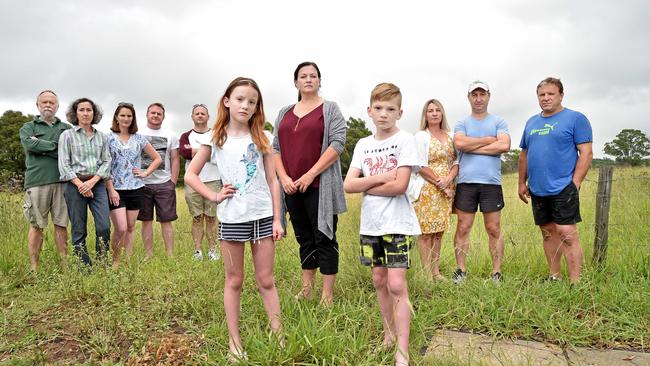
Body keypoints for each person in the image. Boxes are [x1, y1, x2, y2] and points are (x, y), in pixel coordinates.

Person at [184, 77, 284, 361]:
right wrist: (214, 196)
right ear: (227, 102)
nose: (245, 105)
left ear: (256, 107)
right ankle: (234, 340)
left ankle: (278, 334)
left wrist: (277, 219)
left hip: (263, 217)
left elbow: (272, 180)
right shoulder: (214, 138)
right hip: (232, 220)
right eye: (240, 99)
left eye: (252, 101)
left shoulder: (263, 138)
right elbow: (191, 175)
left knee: (266, 279)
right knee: (234, 280)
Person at [344, 83, 420, 366]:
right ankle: (388, 334)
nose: (384, 114)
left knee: (397, 283)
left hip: (396, 224)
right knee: (378, 280)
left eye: (390, 109)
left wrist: (366, 185)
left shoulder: (405, 140)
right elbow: (348, 184)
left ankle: (403, 349)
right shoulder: (363, 145)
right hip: (370, 225)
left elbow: (400, 186)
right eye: (378, 108)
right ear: (369, 111)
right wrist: (380, 178)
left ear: (400, 112)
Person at [273, 61, 347, 305]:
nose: (308, 79)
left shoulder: (330, 109)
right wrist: (283, 177)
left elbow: (337, 144)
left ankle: (327, 294)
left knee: (324, 237)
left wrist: (311, 174)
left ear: (319, 81)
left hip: (318, 185)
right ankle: (307, 288)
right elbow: (275, 148)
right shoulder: (284, 112)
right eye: (303, 76)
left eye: (313, 76)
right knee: (303, 238)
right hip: (291, 186)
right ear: (296, 82)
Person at [518, 77, 593, 283]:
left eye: (551, 94)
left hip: (563, 186)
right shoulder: (531, 122)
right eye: (542, 95)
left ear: (561, 95)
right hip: (537, 188)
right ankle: (554, 276)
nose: (546, 98)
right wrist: (521, 183)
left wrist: (575, 183)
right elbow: (524, 154)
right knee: (548, 233)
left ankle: (576, 281)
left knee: (567, 233)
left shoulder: (575, 119)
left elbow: (585, 153)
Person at [452, 80, 510, 283]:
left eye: (482, 94)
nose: (478, 99)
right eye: (474, 95)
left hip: (491, 184)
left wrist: (471, 146)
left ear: (488, 96)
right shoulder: (462, 123)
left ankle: (496, 272)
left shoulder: (499, 122)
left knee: (493, 229)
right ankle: (461, 271)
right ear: (469, 97)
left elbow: (504, 145)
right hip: (466, 183)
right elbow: (459, 143)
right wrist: (488, 140)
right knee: (463, 227)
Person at [20, 90, 71, 271]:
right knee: (37, 225)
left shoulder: (66, 128)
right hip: (36, 182)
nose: (48, 105)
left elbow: (69, 152)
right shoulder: (28, 127)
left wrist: (41, 147)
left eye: (52, 102)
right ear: (38, 105)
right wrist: (55, 147)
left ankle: (65, 266)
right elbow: (29, 144)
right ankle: (35, 268)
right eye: (44, 102)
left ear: (57, 106)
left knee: (61, 224)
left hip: (62, 182)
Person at [105, 103, 162, 267]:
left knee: (130, 227)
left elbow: (157, 158)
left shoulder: (138, 138)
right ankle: (115, 261)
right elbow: (104, 164)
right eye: (122, 115)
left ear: (133, 118)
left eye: (129, 116)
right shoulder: (108, 138)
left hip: (136, 188)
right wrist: (110, 188)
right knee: (121, 227)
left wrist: (145, 173)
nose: (126, 119)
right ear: (116, 117)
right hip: (116, 190)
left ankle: (128, 261)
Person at [58, 98, 112, 267]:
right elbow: (63, 163)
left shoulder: (102, 137)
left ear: (94, 114)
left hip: (98, 184)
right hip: (74, 185)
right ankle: (84, 267)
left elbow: (106, 161)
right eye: (81, 110)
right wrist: (80, 184)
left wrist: (93, 181)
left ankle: (102, 263)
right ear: (75, 113)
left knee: (104, 226)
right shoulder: (67, 135)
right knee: (79, 229)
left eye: (89, 110)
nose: (86, 113)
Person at [411, 99, 458, 281]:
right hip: (428, 188)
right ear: (425, 114)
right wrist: (441, 184)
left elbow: (457, 161)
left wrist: (448, 181)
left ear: (442, 113)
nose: (434, 113)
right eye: (430, 110)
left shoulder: (451, 135)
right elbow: (419, 166)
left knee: (439, 232)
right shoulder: (421, 136)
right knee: (426, 233)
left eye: (437, 110)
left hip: (448, 187)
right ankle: (426, 274)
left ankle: (436, 271)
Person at [179, 104, 221, 261]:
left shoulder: (217, 133)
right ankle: (197, 251)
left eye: (203, 113)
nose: (200, 115)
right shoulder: (185, 136)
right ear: (192, 116)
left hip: (213, 181)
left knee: (211, 217)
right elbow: (184, 152)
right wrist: (208, 151)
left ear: (208, 116)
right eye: (197, 113)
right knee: (197, 217)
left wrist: (195, 151)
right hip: (193, 181)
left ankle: (212, 250)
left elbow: (220, 152)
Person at [138, 103, 180, 259]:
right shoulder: (137, 134)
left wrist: (173, 182)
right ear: (147, 114)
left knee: (166, 221)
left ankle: (170, 255)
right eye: (152, 113)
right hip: (143, 184)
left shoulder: (171, 136)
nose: (155, 115)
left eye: (159, 113)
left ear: (163, 116)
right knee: (146, 221)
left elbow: (175, 159)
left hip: (164, 183)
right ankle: (148, 255)